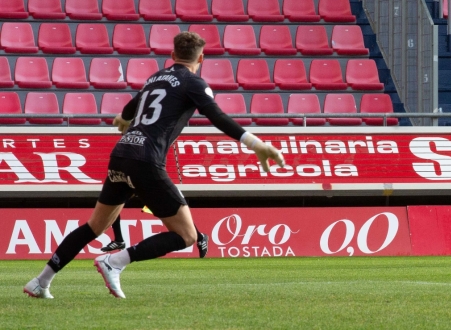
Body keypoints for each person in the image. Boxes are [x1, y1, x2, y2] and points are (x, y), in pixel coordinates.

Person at [23, 32, 285, 299]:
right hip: (146, 160)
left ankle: (41, 281)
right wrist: (256, 144)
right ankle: (114, 262)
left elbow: (129, 109)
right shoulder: (194, 82)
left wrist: (124, 120)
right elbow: (216, 116)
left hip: (122, 154)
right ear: (201, 58)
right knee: (186, 235)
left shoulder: (154, 78)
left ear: (172, 56)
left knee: (94, 227)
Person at [102, 207, 209, 258]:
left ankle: (200, 237)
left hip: (150, 185)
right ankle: (119, 240)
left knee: (173, 216)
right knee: (113, 204)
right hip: (136, 182)